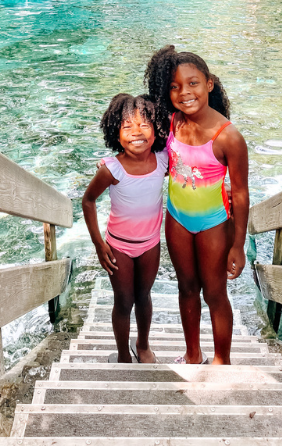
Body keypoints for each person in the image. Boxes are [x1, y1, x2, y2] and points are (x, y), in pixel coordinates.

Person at [144, 46, 250, 365]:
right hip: (177, 220)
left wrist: (238, 245)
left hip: (213, 224)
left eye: (193, 83)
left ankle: (222, 360)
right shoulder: (171, 122)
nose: (184, 92)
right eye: (174, 86)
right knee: (186, 289)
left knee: (214, 293)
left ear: (209, 84)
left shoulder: (228, 137)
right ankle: (193, 354)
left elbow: (242, 194)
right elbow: (142, 138)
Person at [81, 94, 169, 364]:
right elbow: (88, 201)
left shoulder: (163, 161)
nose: (136, 132)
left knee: (144, 296)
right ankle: (122, 354)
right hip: (118, 246)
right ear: (115, 133)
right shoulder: (112, 169)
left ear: (157, 131)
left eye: (144, 125)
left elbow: (191, 161)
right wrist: (99, 244)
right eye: (127, 126)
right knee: (123, 300)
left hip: (150, 244)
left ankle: (142, 345)